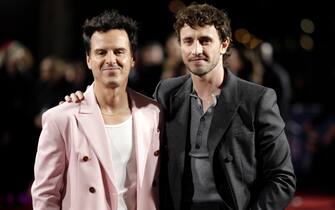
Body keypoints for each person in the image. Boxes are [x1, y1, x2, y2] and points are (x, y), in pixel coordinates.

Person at [65, 3, 296, 210]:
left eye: (205, 40)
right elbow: (121, 113)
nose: (196, 50)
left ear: (224, 44)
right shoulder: (166, 93)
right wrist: (84, 102)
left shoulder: (257, 98)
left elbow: (282, 178)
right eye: (188, 41)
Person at [31, 10, 162, 210]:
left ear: (133, 58)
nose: (111, 60)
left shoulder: (154, 114)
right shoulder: (61, 119)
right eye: (101, 52)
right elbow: (45, 195)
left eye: (119, 51)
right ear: (88, 59)